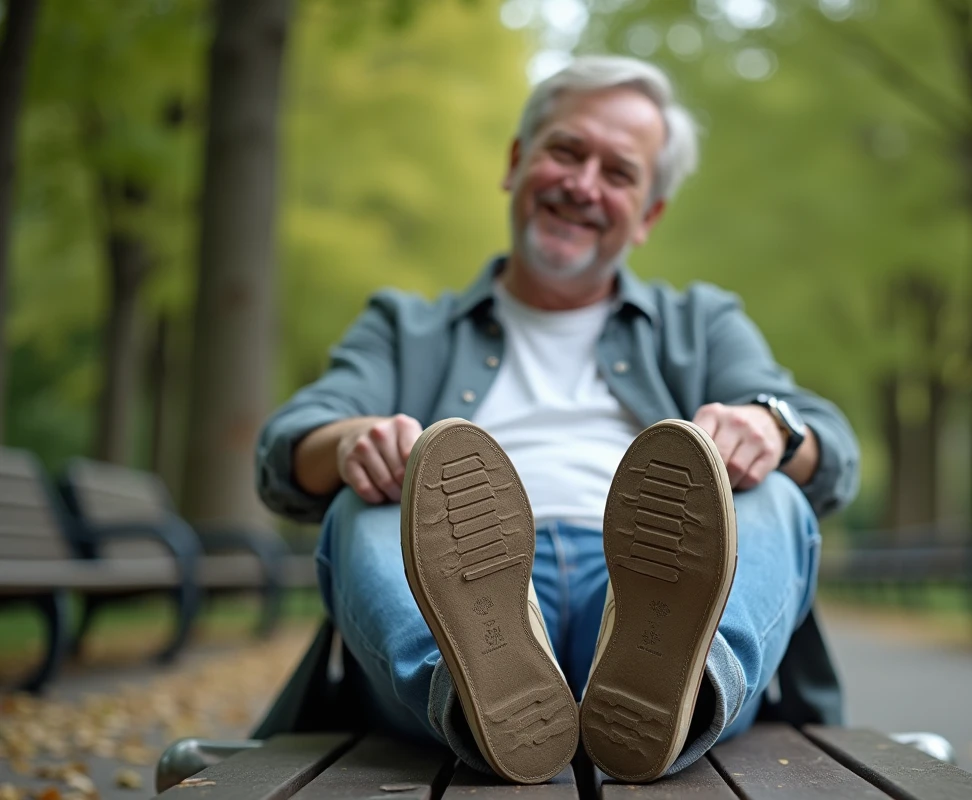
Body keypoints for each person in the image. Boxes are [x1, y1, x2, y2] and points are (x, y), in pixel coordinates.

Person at [256, 55, 859, 784]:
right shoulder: (405, 326)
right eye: (566, 152)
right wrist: (354, 442)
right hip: (465, 596)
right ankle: (480, 703)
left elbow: (832, 452)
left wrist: (773, 428)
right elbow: (288, 447)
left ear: (650, 215)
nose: (583, 186)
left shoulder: (701, 322)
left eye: (619, 173)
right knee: (376, 503)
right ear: (517, 161)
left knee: (774, 493)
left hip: (660, 589)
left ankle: (683, 693)